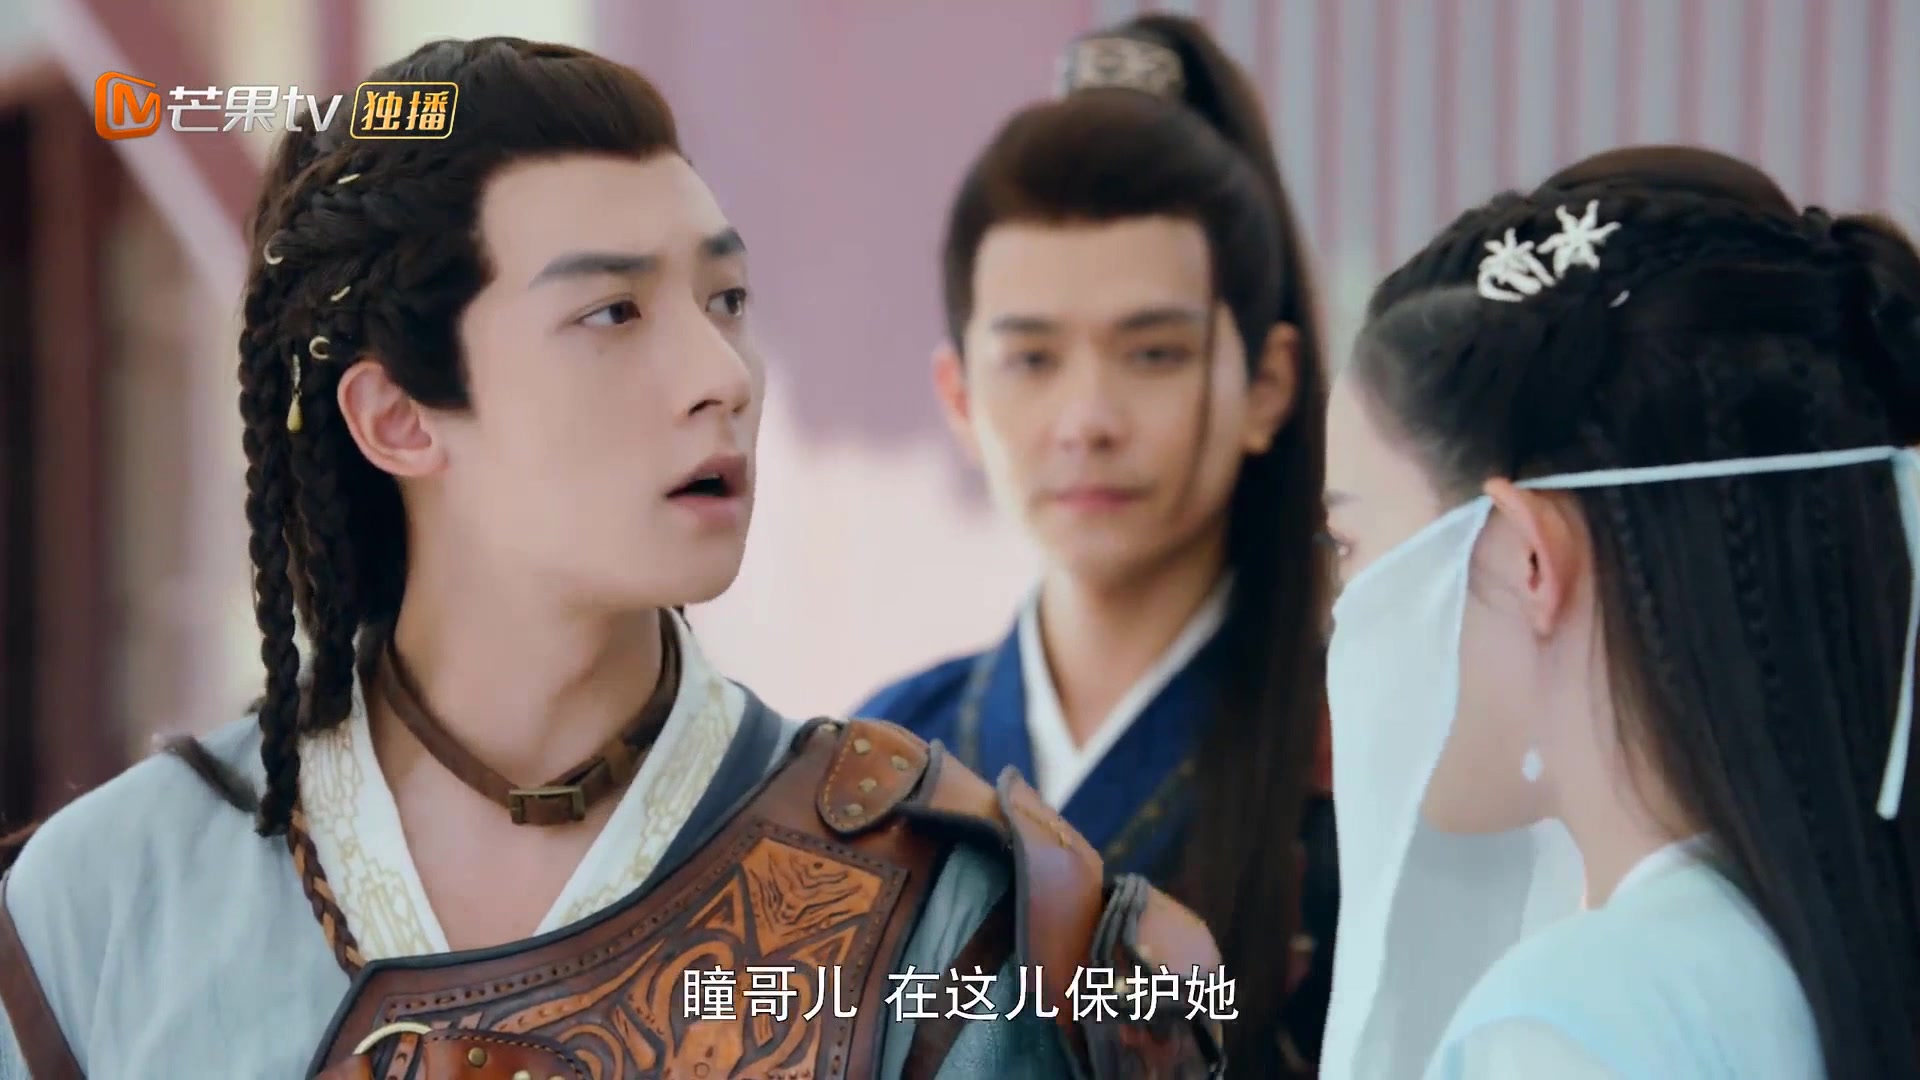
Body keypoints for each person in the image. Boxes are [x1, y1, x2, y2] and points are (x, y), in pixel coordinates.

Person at [0, 38, 1232, 1079]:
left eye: (727, 299)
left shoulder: (937, 914)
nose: (721, 376)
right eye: (612, 312)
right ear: (399, 418)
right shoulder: (105, 903)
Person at [1319, 143, 1920, 1079]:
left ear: (1526, 554)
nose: (1341, 617)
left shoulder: (1572, 1018)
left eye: (1349, 545)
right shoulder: (1848, 939)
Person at [855, 14, 1336, 1075]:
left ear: (1267, 385)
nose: (1086, 421)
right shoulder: (886, 754)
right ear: (959, 395)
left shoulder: (1357, 759)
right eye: (1032, 360)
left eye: (1152, 354)